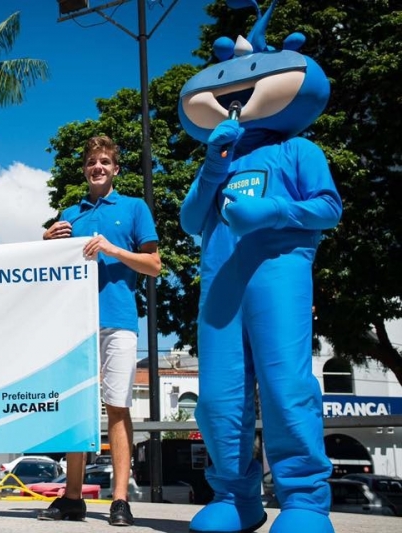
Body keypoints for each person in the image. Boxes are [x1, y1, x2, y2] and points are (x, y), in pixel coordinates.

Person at [177, 2, 341, 532]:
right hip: (220, 287)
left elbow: (328, 208)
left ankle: (304, 502)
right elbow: (188, 221)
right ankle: (236, 497)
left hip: (279, 275)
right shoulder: (218, 160)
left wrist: (272, 211)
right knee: (220, 394)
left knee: (283, 383)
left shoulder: (299, 149)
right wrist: (209, 167)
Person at [39, 135, 161, 526]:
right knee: (76, 409)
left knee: (118, 408)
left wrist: (112, 249)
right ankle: (72, 497)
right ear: (85, 169)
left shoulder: (135, 208)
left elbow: (154, 265)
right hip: (74, 326)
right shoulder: (69, 213)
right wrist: (44, 242)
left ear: (116, 169)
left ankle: (120, 500)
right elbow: (46, 270)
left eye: (105, 162)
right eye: (93, 162)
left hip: (119, 321)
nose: (98, 168)